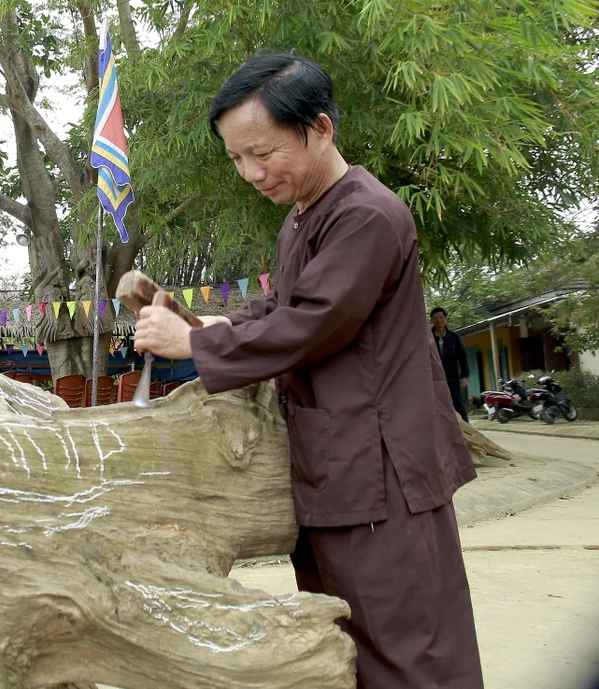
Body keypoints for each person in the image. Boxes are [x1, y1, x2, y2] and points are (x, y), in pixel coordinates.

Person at [134, 53, 483, 689]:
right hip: (339, 462)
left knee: (405, 649)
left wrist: (196, 344)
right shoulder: (305, 216)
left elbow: (317, 321)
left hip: (381, 467)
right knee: (344, 641)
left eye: (263, 152)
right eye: (237, 158)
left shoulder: (365, 214)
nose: (251, 173)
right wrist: (214, 323)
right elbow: (282, 306)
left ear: (321, 128)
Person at [430, 306, 471, 421]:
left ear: (446, 319)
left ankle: (466, 428)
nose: (439, 320)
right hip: (434, 379)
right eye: (436, 318)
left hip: (452, 378)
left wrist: (464, 376)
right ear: (432, 320)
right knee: (436, 406)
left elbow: (463, 357)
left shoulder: (454, 337)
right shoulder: (428, 337)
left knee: (458, 404)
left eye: (441, 317)